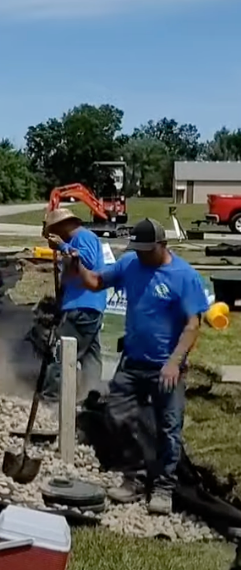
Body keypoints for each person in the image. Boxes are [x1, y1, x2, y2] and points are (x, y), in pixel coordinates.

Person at [64, 217, 209, 516]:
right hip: (132, 362)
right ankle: (135, 476)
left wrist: (174, 362)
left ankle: (164, 487)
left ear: (162, 244)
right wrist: (77, 264)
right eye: (138, 249)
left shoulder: (184, 276)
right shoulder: (130, 264)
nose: (141, 254)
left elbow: (193, 326)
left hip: (167, 367)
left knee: (169, 428)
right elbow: (95, 282)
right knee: (117, 414)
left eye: (147, 249)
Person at [40, 208, 109, 412]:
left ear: (60, 227)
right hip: (89, 305)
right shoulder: (79, 239)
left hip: (82, 306)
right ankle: (90, 396)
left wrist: (62, 246)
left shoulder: (82, 237)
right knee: (90, 356)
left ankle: (51, 400)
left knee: (61, 353)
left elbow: (84, 260)